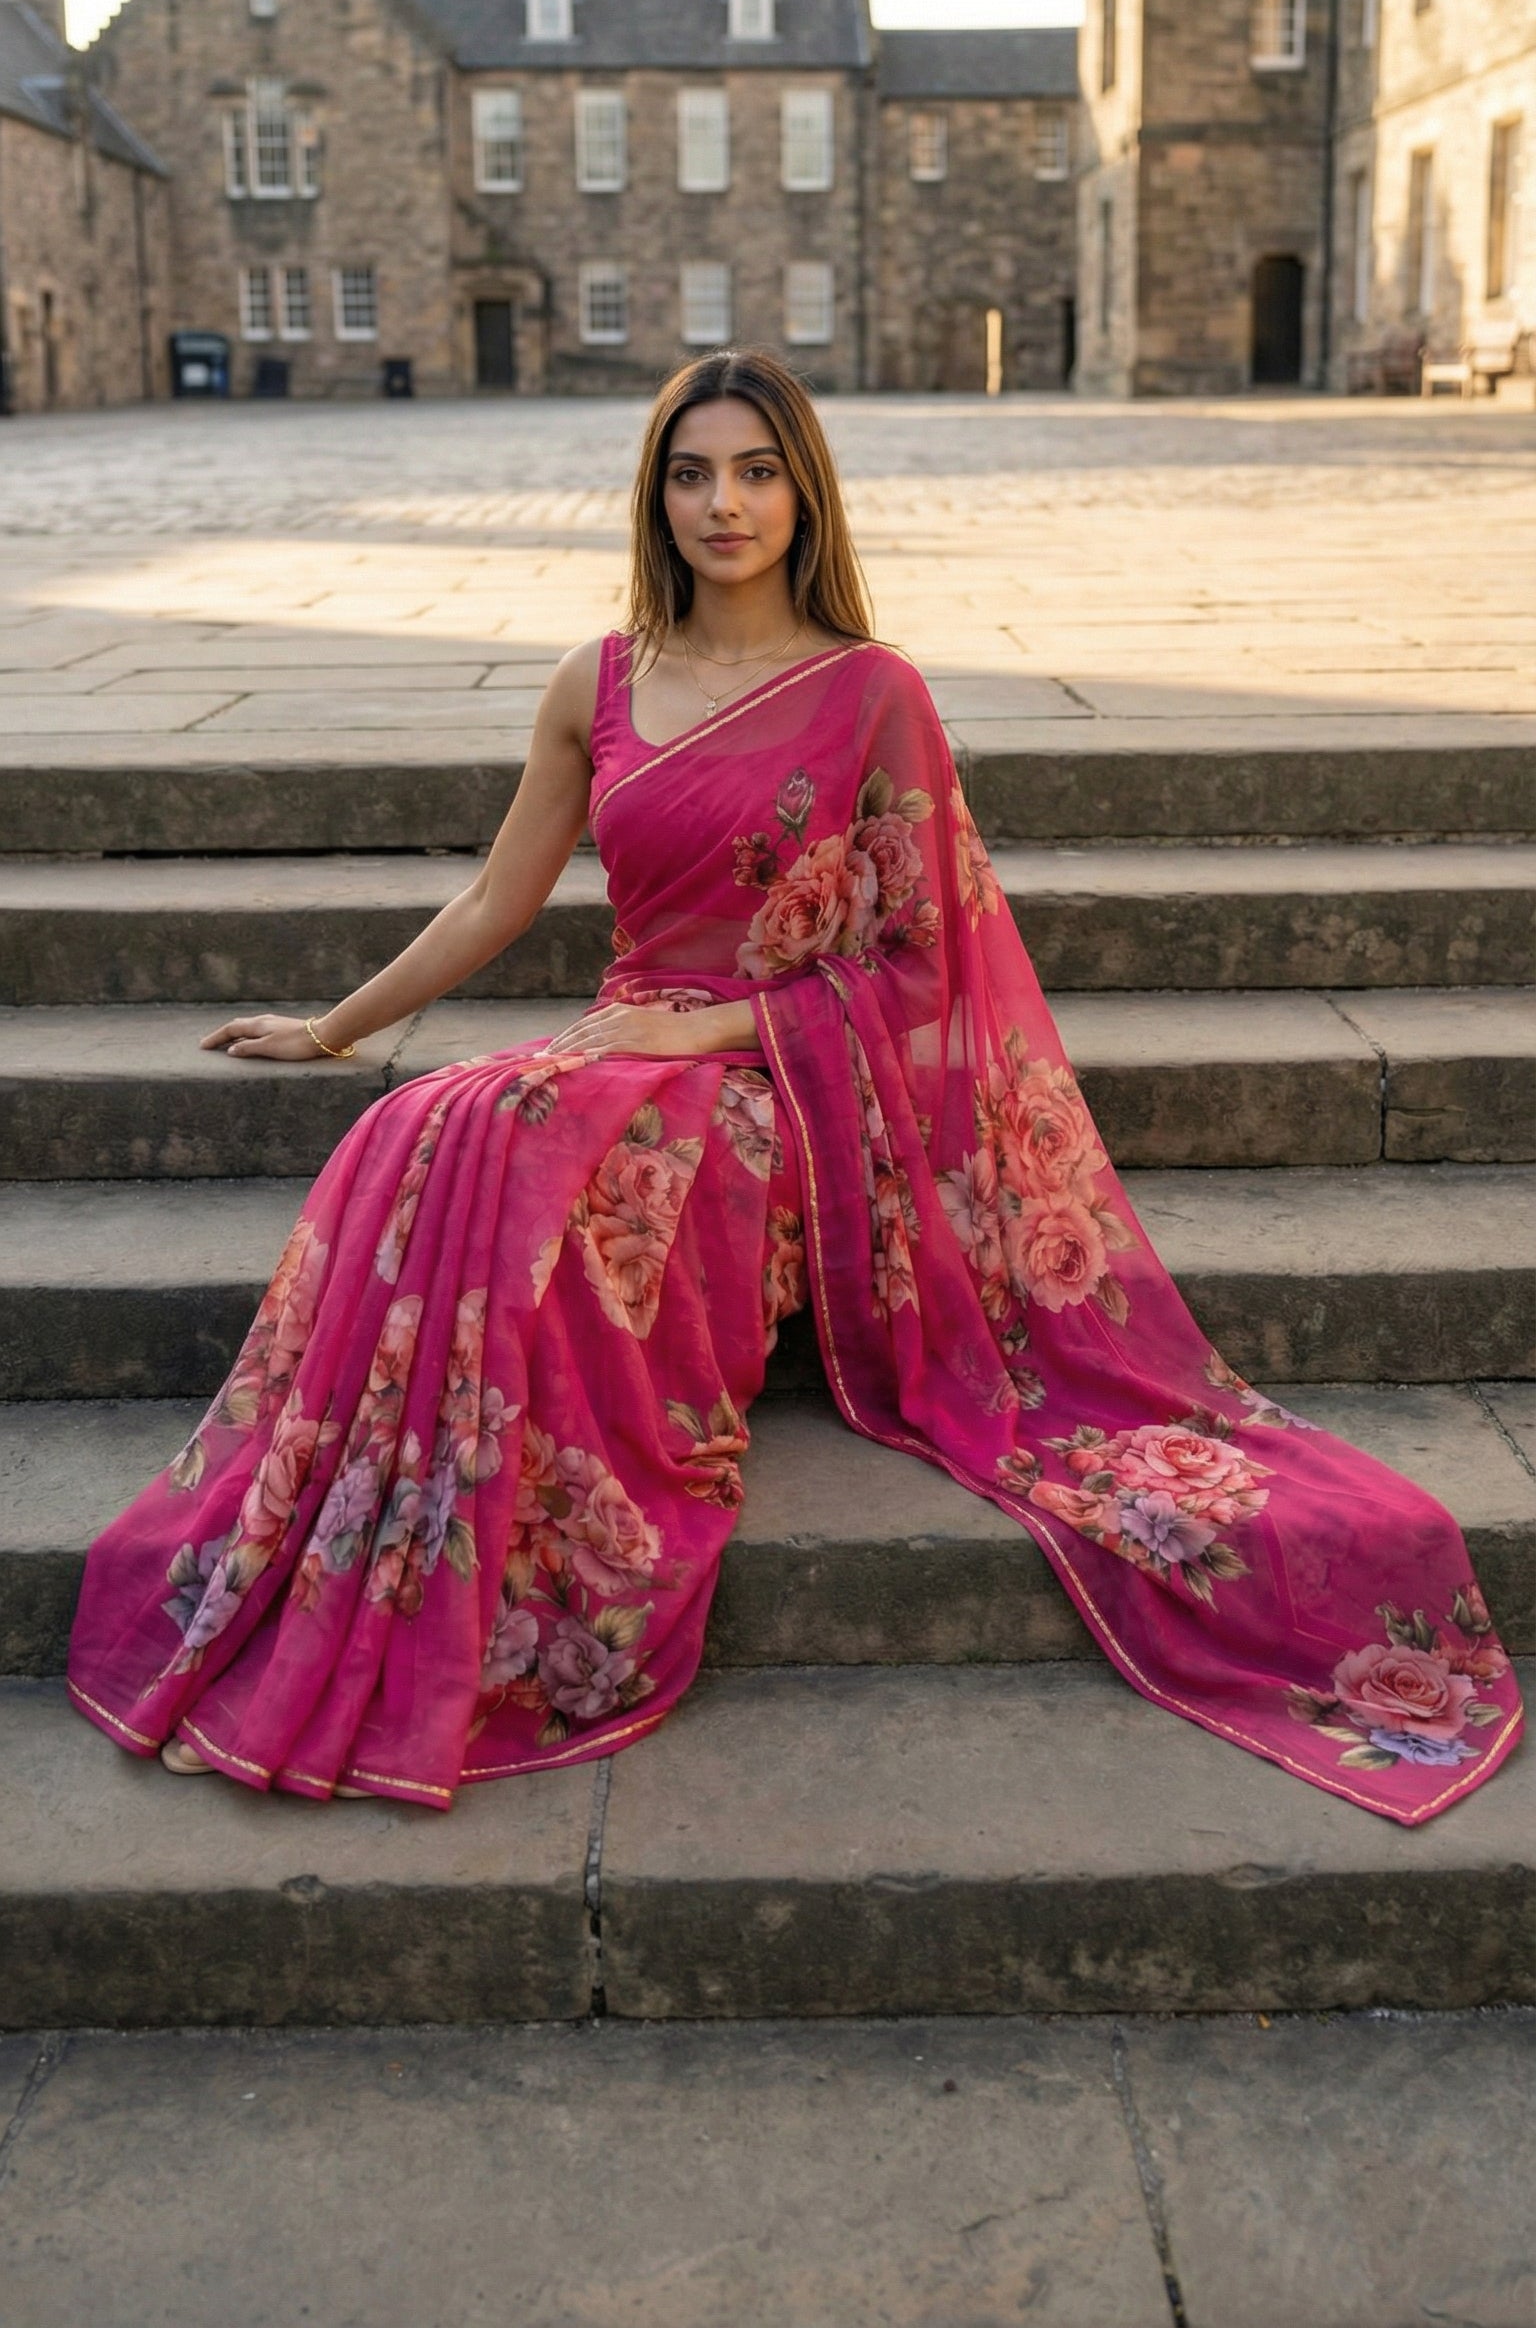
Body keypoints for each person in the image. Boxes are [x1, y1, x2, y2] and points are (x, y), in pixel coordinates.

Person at [69, 350, 1521, 1823]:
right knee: (431, 1122)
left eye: (757, 472)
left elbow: (924, 964)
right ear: (657, 497)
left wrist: (711, 1032)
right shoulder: (597, 679)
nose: (726, 503)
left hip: (778, 1086)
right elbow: (497, 901)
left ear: (804, 493)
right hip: (618, 1048)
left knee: (564, 1144)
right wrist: (335, 1032)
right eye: (693, 473)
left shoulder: (872, 693)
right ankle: (388, 1546)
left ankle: (514, 1564)